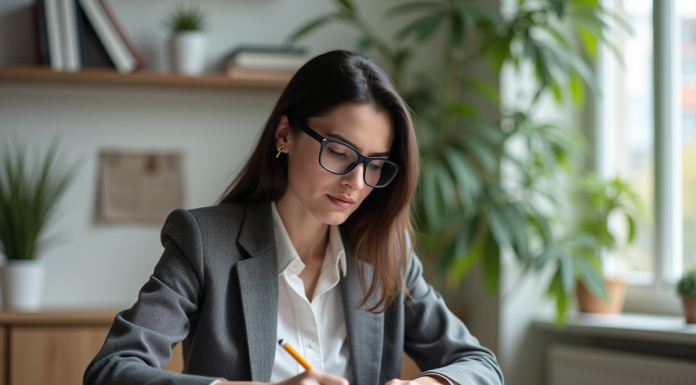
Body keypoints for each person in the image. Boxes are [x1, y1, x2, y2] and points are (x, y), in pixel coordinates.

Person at [84, 50, 504, 385]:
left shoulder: (386, 254)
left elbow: (479, 364)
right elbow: (113, 370)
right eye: (339, 152)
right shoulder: (203, 242)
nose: (356, 182)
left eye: (375, 164)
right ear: (285, 135)